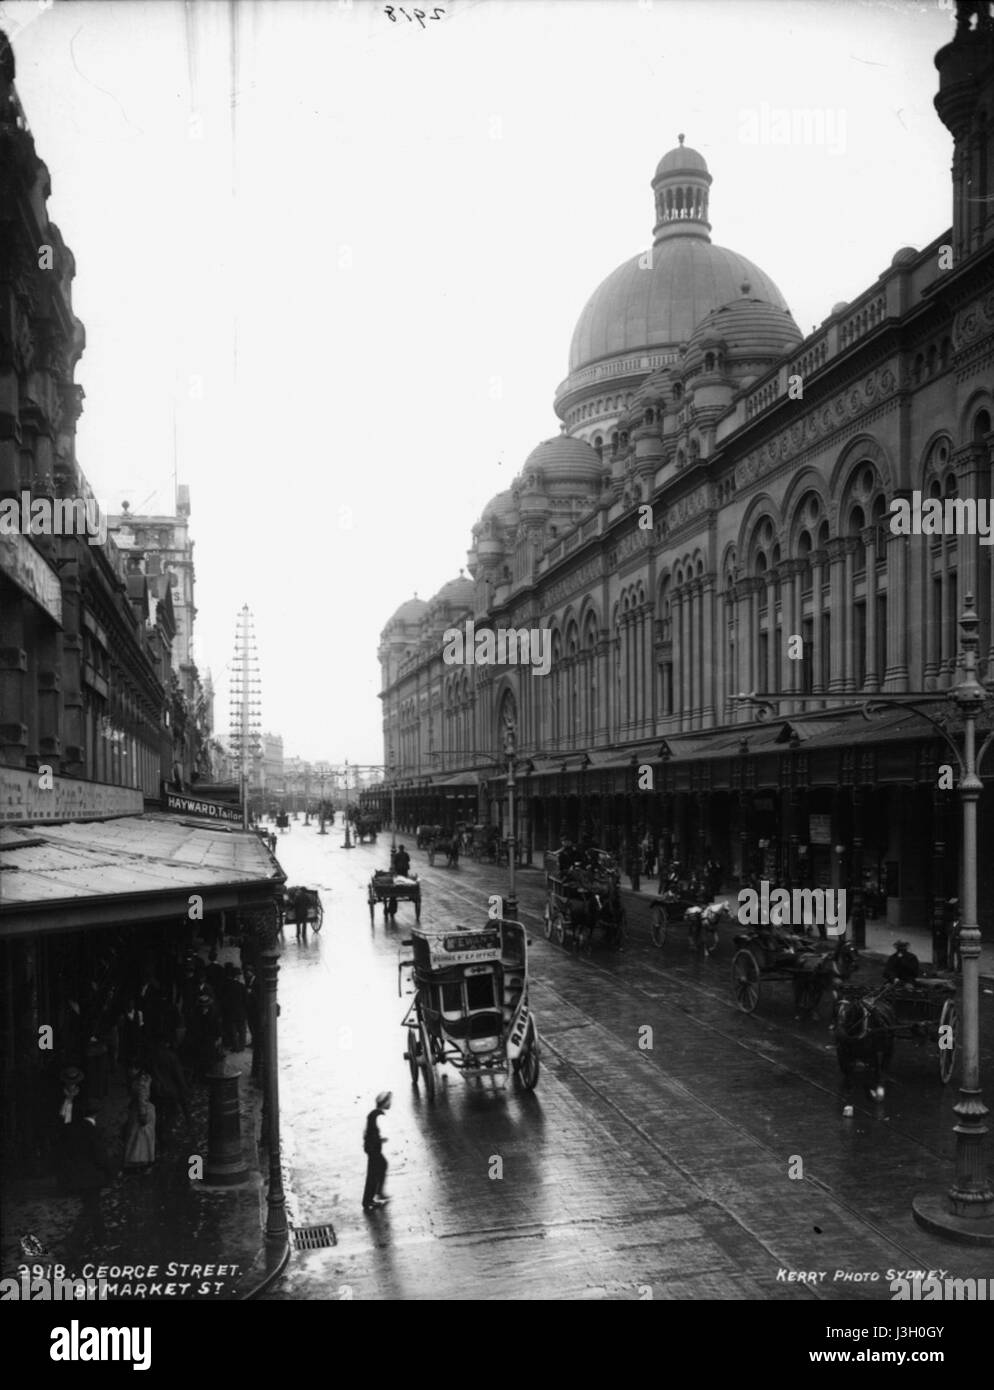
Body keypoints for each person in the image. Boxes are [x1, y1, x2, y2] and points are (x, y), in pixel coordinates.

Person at [64, 1103, 117, 1245]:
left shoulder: (75, 1129)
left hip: (79, 1175)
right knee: (90, 1209)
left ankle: (101, 1238)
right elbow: (100, 1156)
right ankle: (74, 1240)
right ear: (96, 1114)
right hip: (92, 1177)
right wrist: (111, 1171)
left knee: (93, 1206)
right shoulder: (93, 1131)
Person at [122, 1065, 156, 1172]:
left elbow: (142, 1099)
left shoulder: (140, 1083)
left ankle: (138, 1160)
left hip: (142, 1110)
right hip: (143, 1109)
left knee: (139, 1135)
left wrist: (142, 1114)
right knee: (143, 1136)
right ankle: (143, 1160)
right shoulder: (143, 1078)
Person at [362, 1091, 392, 1211]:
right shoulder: (380, 1116)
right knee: (373, 1174)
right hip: (374, 1148)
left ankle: (377, 1193)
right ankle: (369, 1201)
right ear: (384, 1103)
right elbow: (383, 1134)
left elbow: (365, 1131)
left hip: (370, 1147)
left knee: (382, 1165)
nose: (390, 1103)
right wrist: (382, 1139)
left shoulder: (372, 1114)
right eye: (388, 1101)